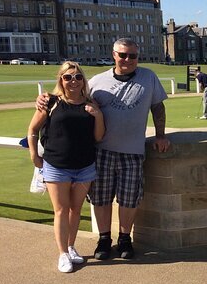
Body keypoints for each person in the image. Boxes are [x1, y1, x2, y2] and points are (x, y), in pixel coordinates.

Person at [37, 38, 171, 260]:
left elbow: (158, 107)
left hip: (133, 151)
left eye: (133, 56)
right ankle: (104, 238)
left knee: (129, 198)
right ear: (114, 55)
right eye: (123, 55)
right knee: (101, 198)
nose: (127, 59)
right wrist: (44, 99)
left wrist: (160, 135)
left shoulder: (149, 77)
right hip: (101, 152)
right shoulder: (98, 81)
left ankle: (125, 238)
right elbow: (72, 96)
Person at [27, 62, 105, 272]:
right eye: (68, 77)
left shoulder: (91, 103)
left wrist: (97, 115)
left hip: (85, 166)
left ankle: (71, 247)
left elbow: (98, 137)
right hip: (57, 166)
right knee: (61, 210)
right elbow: (33, 130)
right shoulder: (50, 102)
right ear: (61, 80)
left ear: (83, 81)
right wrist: (34, 155)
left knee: (75, 209)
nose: (73, 81)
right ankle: (62, 254)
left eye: (78, 77)